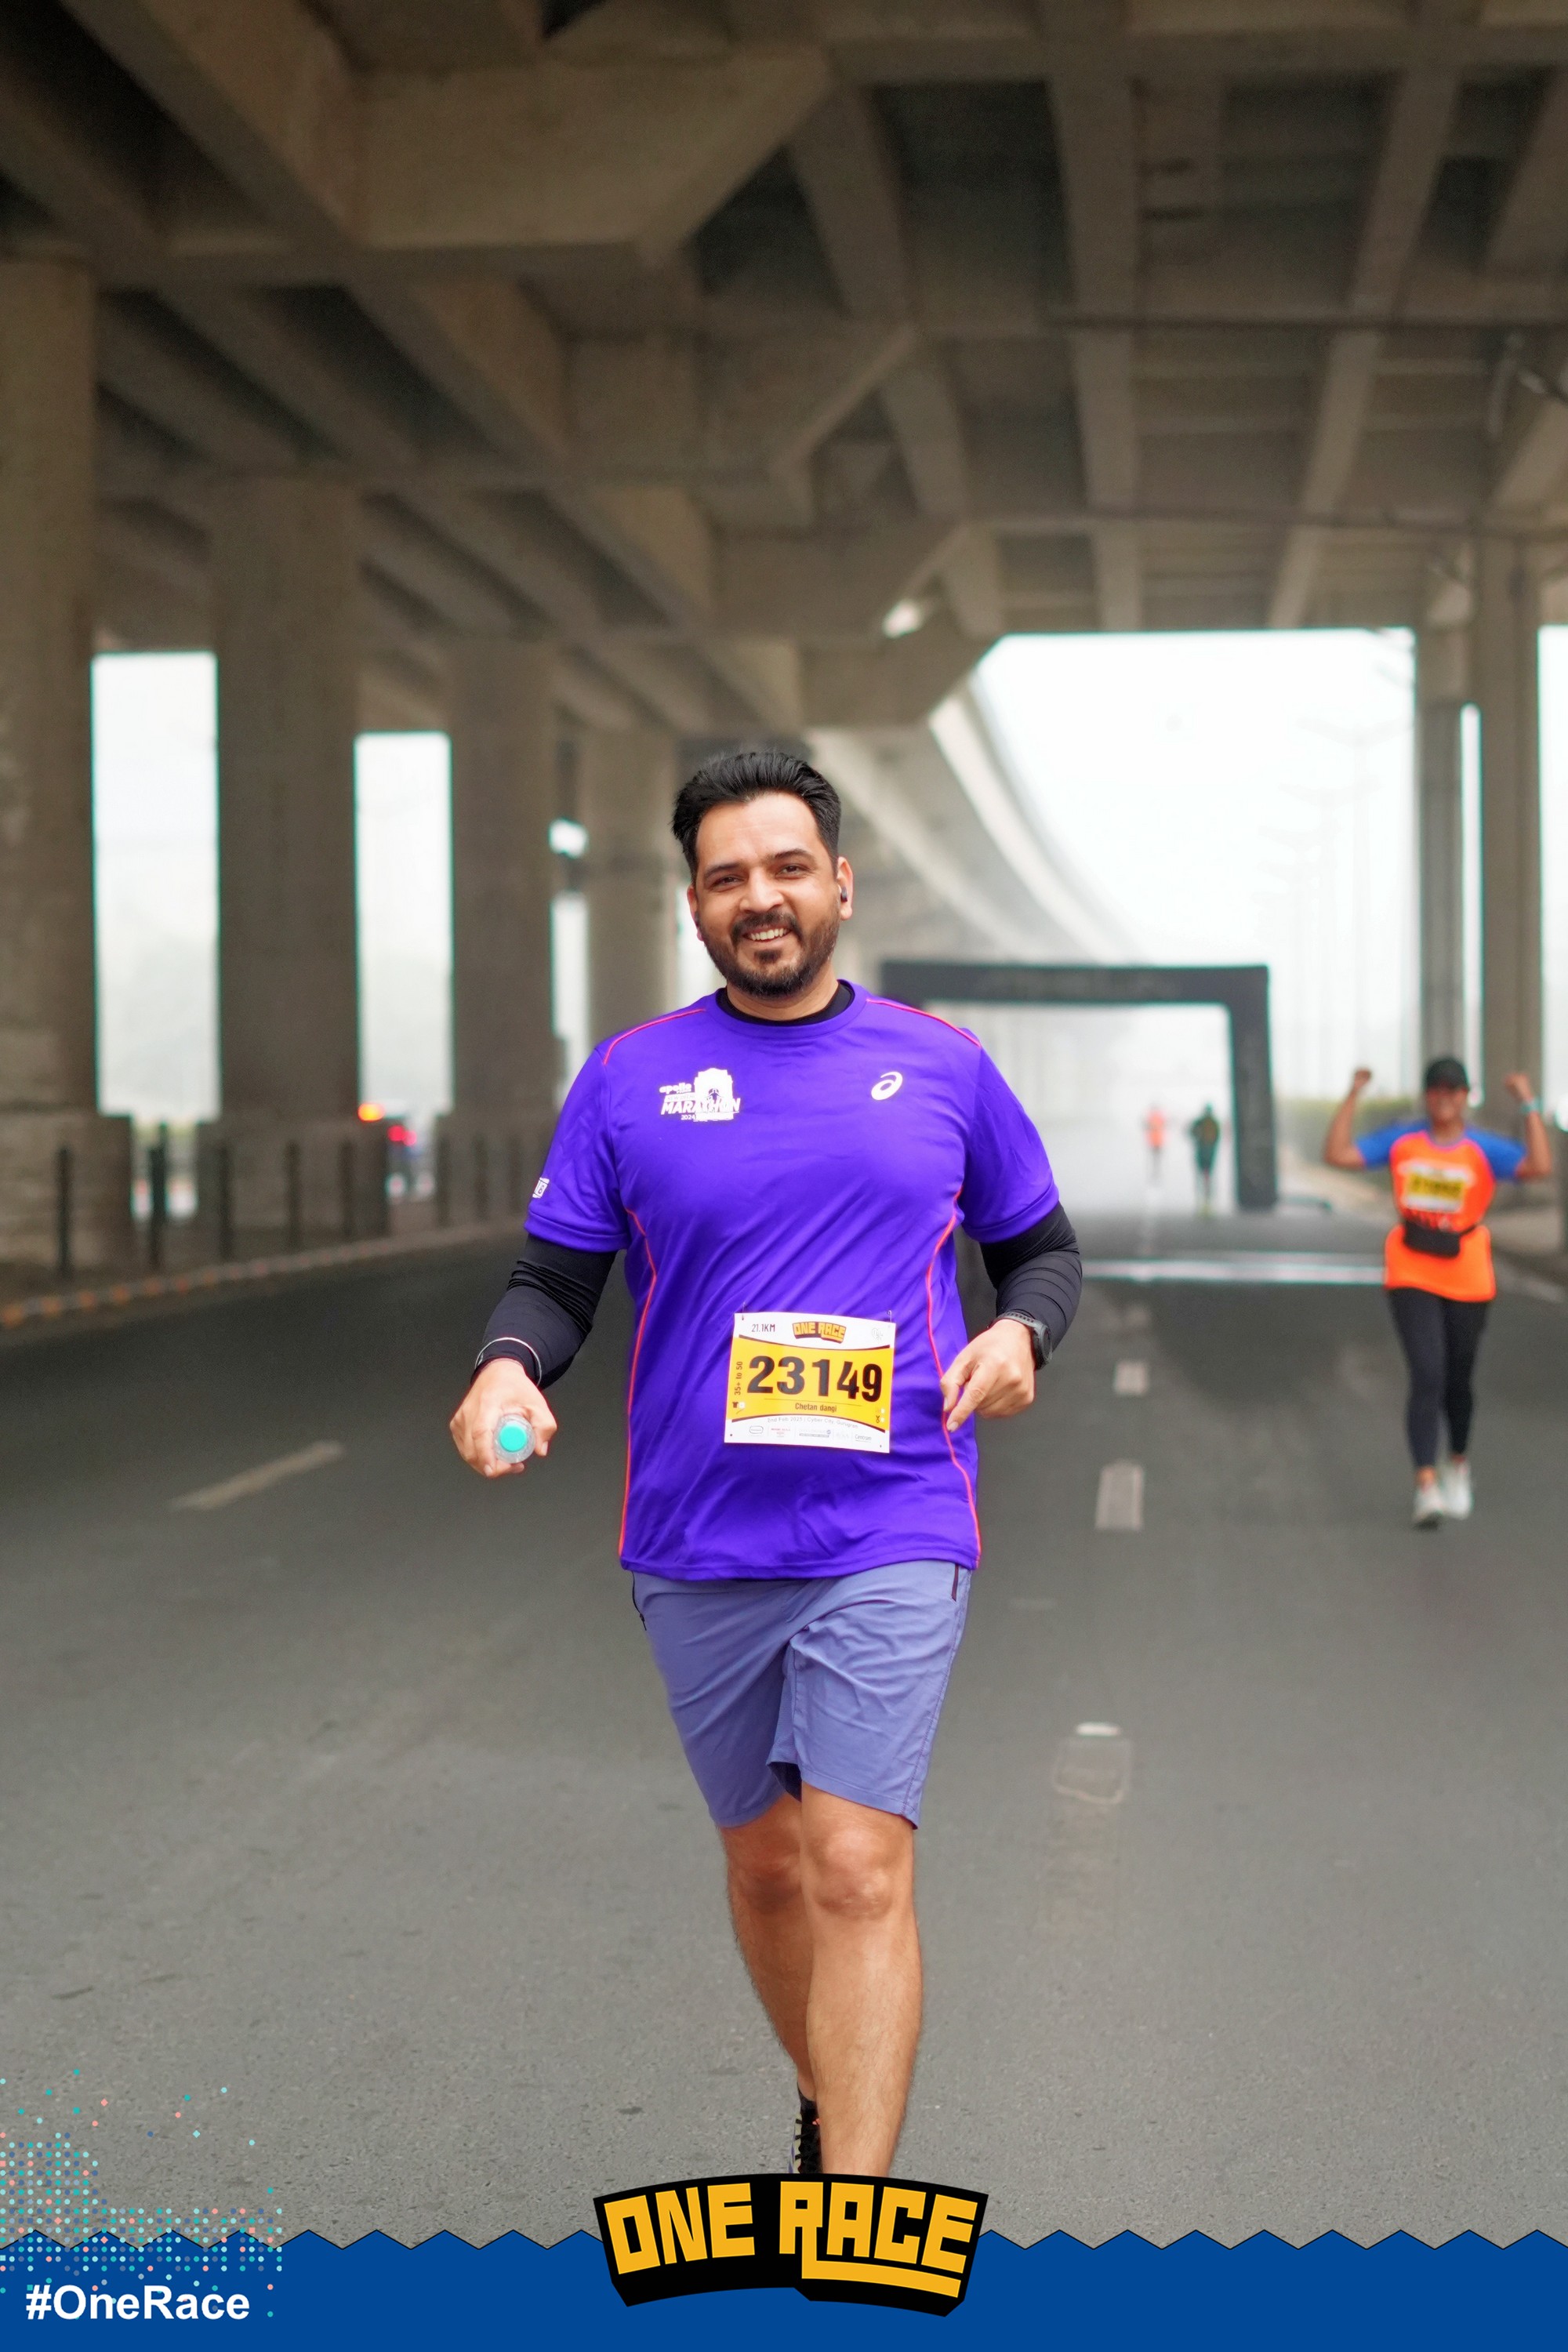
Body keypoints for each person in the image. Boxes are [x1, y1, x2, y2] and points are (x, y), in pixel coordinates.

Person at [449, 748, 1081, 2180]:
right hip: (698, 1536)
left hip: (894, 1515)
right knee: (769, 1866)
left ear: (840, 884)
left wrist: (1023, 1332)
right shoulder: (631, 1081)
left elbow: (1040, 1250)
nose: (762, 897)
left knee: (856, 1863)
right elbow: (555, 1280)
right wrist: (507, 1364)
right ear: (694, 906)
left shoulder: (943, 1067)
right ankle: (821, 2085)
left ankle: (853, 2213)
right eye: (728, 876)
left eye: (789, 867)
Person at [1323, 1056, 1552, 1527]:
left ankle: (1458, 1464)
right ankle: (1425, 1485)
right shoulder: (1402, 1141)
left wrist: (1528, 1102)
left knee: (1457, 1379)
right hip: (1411, 1268)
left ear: (1465, 1097)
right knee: (1427, 1373)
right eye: (1436, 1089)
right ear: (1426, 1096)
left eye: (1453, 1090)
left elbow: (1539, 1167)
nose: (1444, 1097)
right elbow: (1339, 1155)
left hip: (1467, 1272)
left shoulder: (1484, 1148)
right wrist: (1353, 1094)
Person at [1189, 1104, 1221, 1211]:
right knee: (1207, 1176)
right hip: (1208, 1152)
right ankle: (1206, 1197)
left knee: (1203, 1175)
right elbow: (1217, 1137)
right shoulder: (1212, 1123)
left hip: (1204, 1152)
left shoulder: (1202, 1122)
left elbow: (1192, 1132)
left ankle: (1204, 1197)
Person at [1143, 1104, 1167, 1182]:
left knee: (1156, 1158)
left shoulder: (1152, 1118)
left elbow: (1146, 1126)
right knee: (1156, 1158)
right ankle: (1156, 1172)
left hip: (1156, 1142)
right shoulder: (1157, 1118)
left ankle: (1156, 1172)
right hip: (1156, 1142)